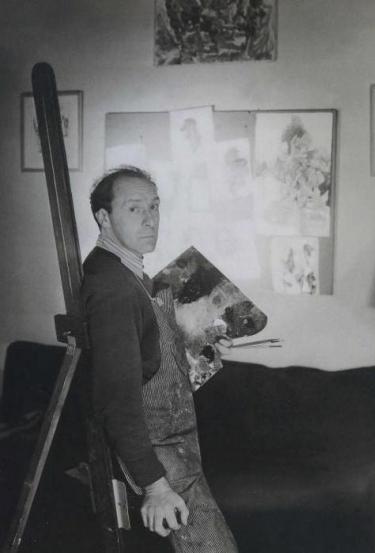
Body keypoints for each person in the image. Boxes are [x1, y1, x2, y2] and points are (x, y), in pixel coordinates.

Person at [81, 166, 238, 552]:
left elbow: (153, 366)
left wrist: (204, 349)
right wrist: (155, 486)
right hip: (160, 457)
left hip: (175, 451)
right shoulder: (114, 287)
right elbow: (117, 399)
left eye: (154, 206)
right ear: (104, 217)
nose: (150, 219)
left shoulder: (127, 273)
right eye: (135, 208)